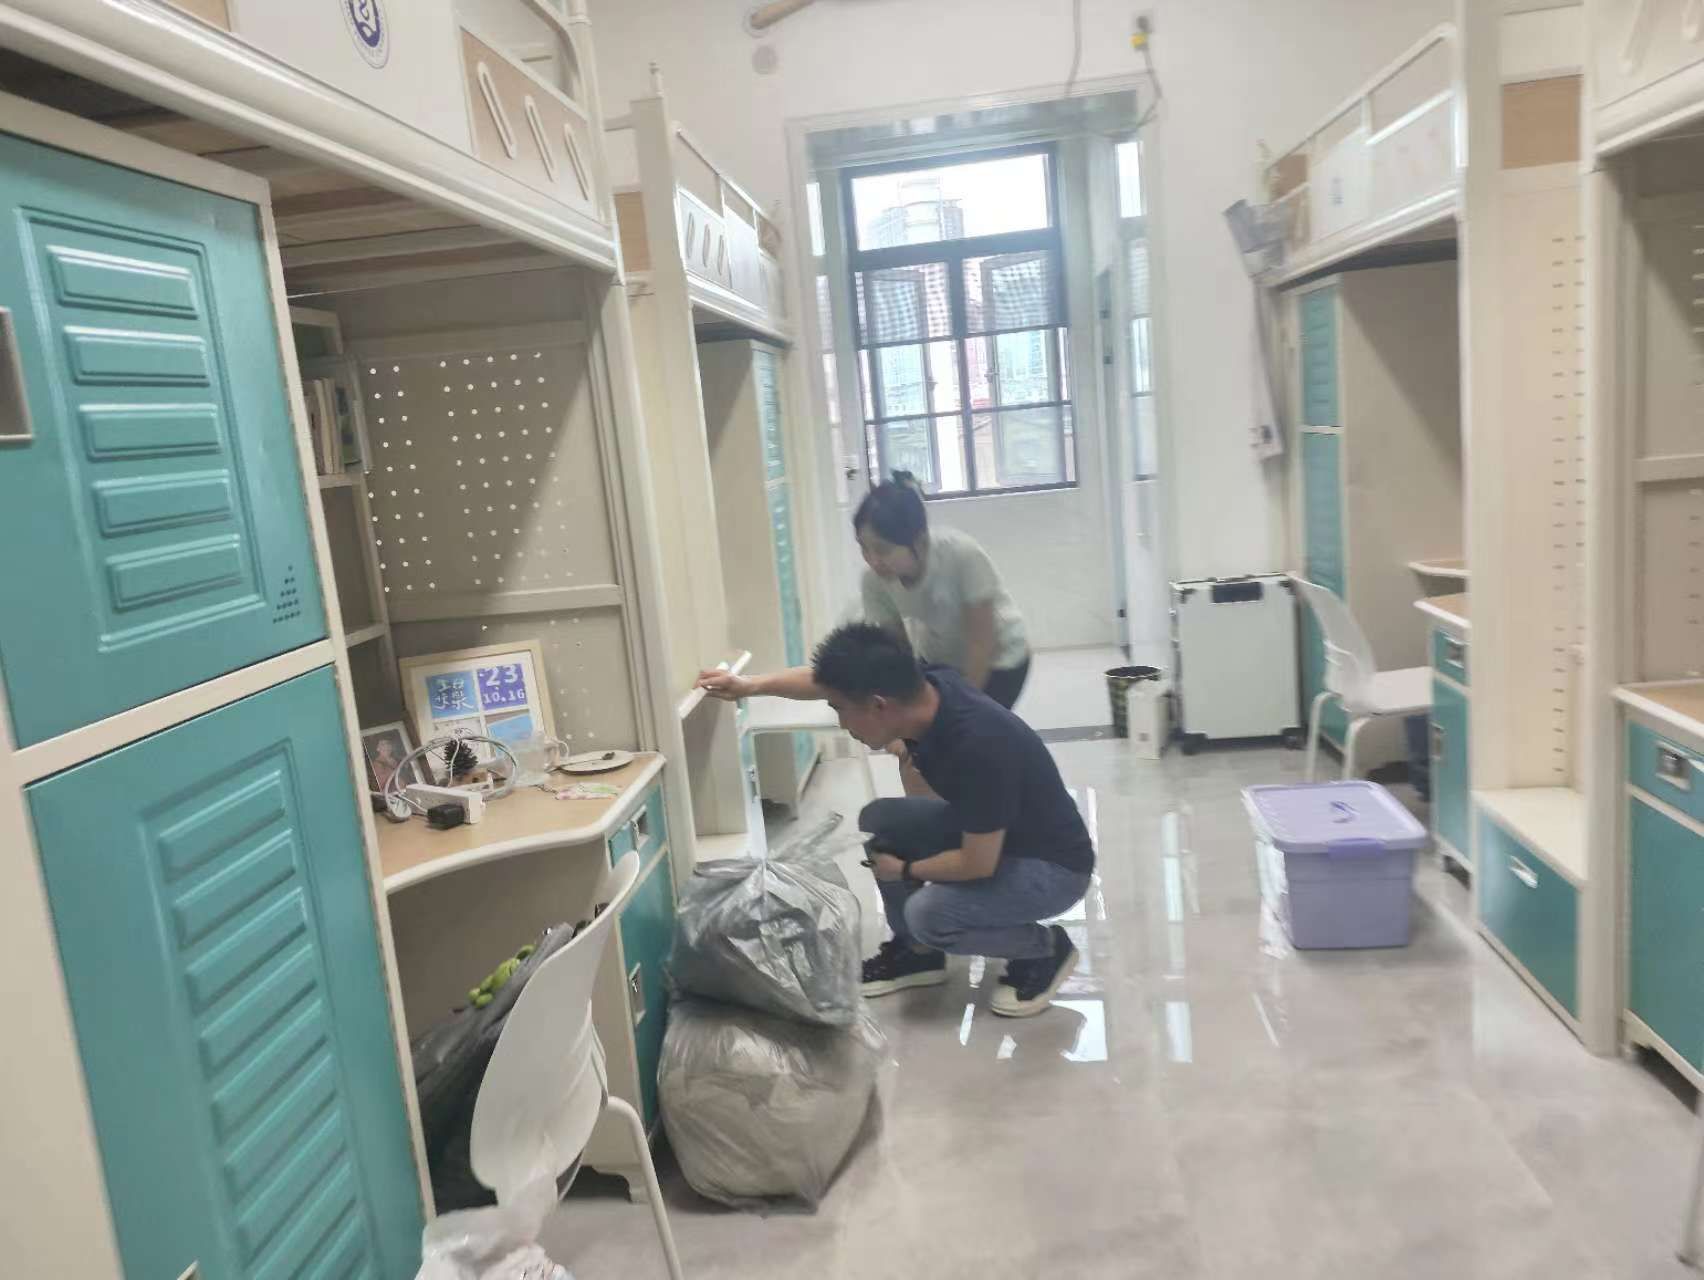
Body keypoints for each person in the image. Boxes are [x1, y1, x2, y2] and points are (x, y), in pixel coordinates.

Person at [702, 623, 1094, 1018]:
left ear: (878, 706)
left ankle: (1045, 950)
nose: (842, 724)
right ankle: (919, 954)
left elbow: (977, 863)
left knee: (928, 914)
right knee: (883, 820)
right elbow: (822, 682)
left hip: (1052, 869)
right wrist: (748, 686)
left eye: (840, 710)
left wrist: (905, 870)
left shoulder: (979, 745)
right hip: (998, 835)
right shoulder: (924, 686)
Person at [852, 474, 1031, 709]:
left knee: (976, 725)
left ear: (919, 541)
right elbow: (896, 651)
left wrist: (962, 707)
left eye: (883, 549)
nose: (873, 560)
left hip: (1001, 658)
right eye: (864, 548)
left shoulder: (961, 555)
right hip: (941, 658)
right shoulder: (873, 581)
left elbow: (982, 643)